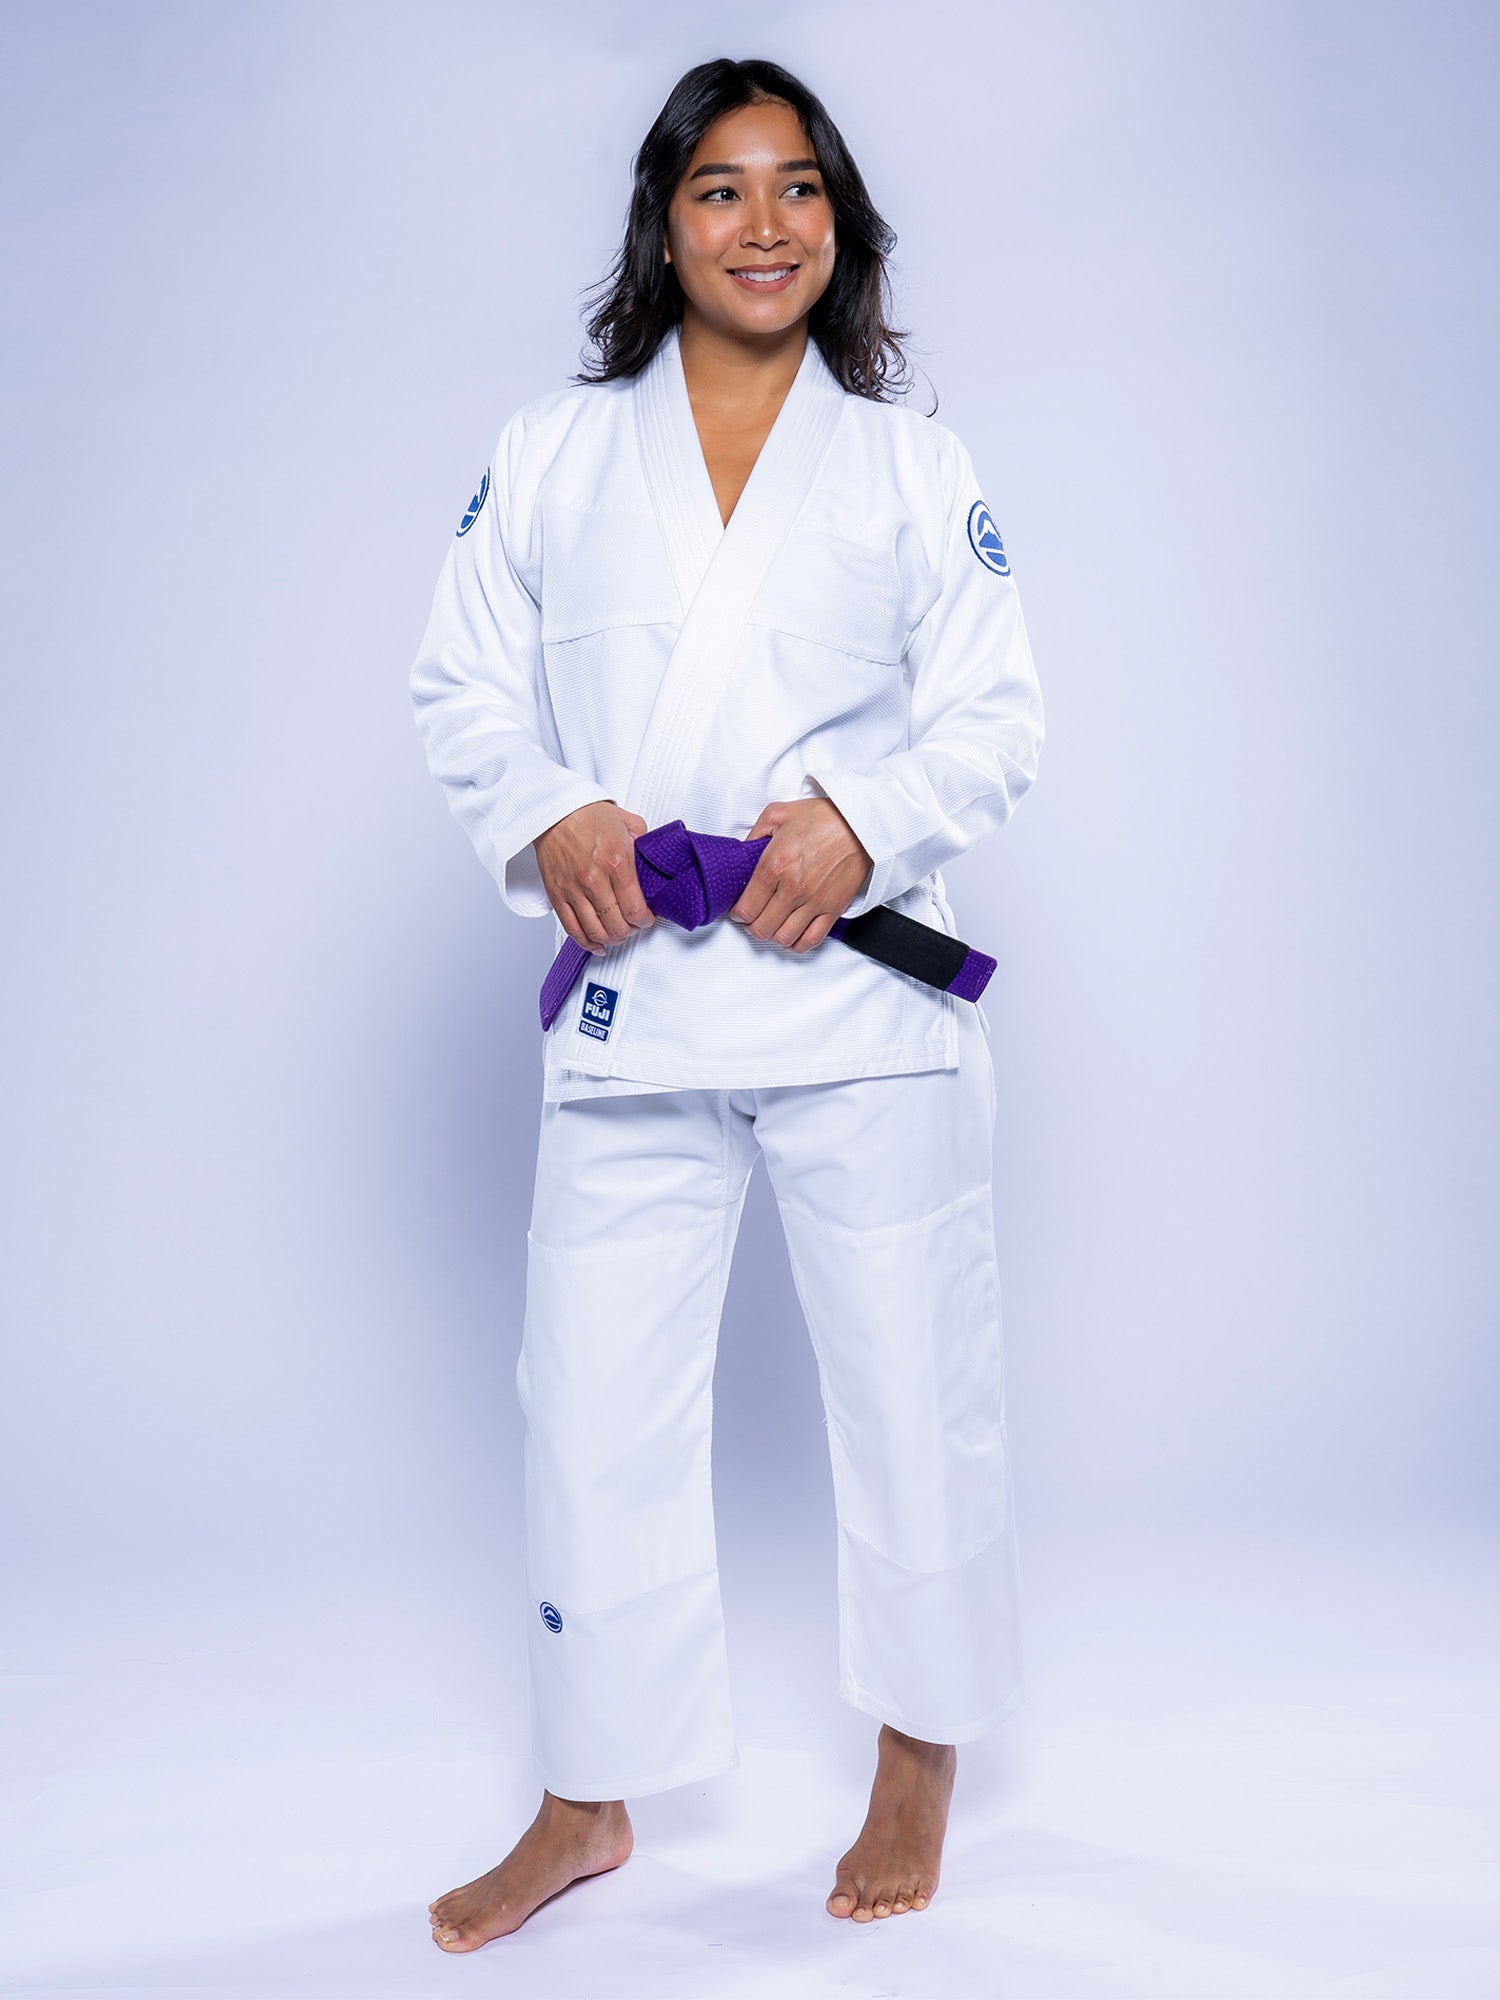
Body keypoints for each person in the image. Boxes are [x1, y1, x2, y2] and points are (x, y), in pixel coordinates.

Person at [409, 56, 1044, 1949]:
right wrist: (554, 808)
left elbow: (999, 717)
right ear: (662, 219)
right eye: (719, 189)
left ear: (836, 222)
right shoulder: (553, 450)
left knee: (911, 1377)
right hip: (639, 997)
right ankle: (587, 1794)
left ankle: (919, 1745)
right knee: (588, 1402)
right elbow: (461, 685)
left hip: (853, 997)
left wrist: (865, 820)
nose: (761, 225)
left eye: (796, 189)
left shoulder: (913, 465)